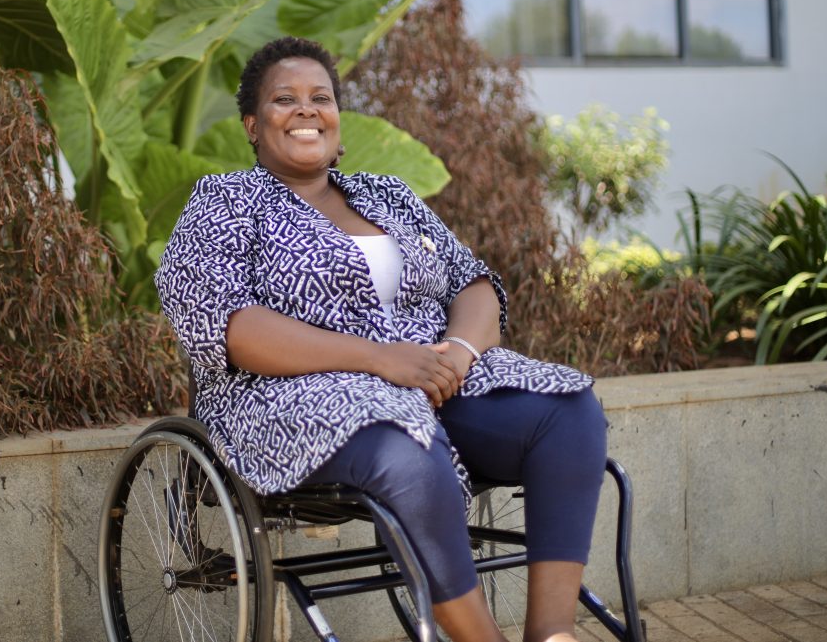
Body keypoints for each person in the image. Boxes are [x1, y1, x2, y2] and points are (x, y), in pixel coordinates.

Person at [155, 37, 608, 642]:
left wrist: (459, 353)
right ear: (252, 126)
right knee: (404, 447)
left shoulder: (389, 197)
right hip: (291, 394)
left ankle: (551, 633)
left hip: (430, 379)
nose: (307, 109)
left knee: (568, 410)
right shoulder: (225, 202)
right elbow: (229, 326)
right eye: (285, 99)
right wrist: (380, 360)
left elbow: (472, 284)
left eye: (321, 97)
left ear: (339, 119)